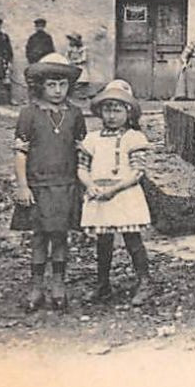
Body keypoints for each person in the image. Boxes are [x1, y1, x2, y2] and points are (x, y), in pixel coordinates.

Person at [11, 52, 86, 312]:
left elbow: (81, 152)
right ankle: (36, 285)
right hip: (38, 185)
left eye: (62, 84)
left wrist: (84, 183)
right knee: (40, 237)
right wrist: (22, 185)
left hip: (66, 184)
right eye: (51, 84)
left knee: (61, 236)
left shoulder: (75, 115)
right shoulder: (29, 114)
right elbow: (20, 152)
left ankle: (58, 283)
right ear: (40, 86)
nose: (57, 90)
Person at [79, 80, 154, 304]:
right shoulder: (92, 139)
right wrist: (90, 185)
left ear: (128, 112)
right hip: (99, 194)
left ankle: (145, 281)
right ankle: (103, 284)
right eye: (107, 110)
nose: (111, 116)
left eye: (117, 110)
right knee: (103, 240)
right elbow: (81, 167)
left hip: (124, 194)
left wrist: (115, 188)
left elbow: (137, 172)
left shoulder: (134, 138)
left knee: (132, 238)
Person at [65, 32, 90, 98]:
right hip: (72, 66)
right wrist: (69, 61)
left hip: (80, 67)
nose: (71, 42)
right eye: (71, 40)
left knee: (82, 81)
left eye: (73, 40)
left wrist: (75, 61)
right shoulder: (69, 48)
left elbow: (83, 59)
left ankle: (83, 95)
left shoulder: (83, 49)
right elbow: (66, 57)